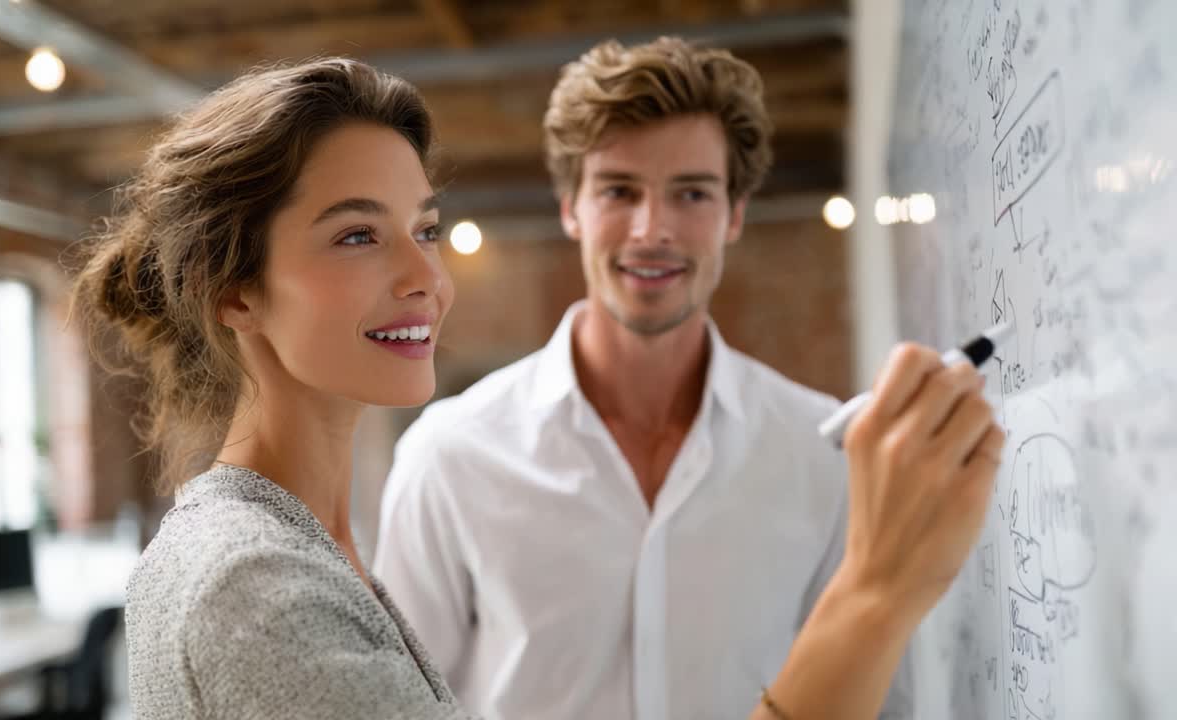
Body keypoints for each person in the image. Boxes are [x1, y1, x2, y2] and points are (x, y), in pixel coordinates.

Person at [73, 54, 1004, 720]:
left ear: (735, 214)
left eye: (425, 229)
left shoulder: (826, 448)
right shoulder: (259, 579)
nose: (427, 278)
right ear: (232, 291)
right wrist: (878, 594)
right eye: (359, 233)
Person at [373, 37, 1002, 720]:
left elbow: (876, 700)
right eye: (619, 190)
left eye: (692, 193)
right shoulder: (449, 455)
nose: (652, 230)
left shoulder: (825, 456)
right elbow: (398, 709)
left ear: (733, 214)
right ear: (571, 208)